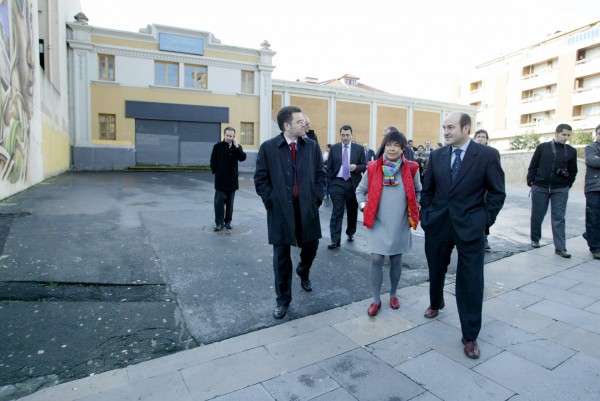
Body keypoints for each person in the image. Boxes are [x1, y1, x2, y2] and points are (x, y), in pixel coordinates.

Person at [420, 112, 505, 359]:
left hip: (471, 228)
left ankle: (470, 336)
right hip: (438, 225)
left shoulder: (487, 155)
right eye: (443, 128)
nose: (445, 132)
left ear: (466, 129)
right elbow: (428, 191)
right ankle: (435, 303)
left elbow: (497, 193)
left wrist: (483, 221)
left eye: (450, 127)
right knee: (436, 269)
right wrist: (427, 216)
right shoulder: (436, 156)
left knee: (470, 281)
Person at [254, 106, 326, 319]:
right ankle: (282, 300)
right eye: (300, 121)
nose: (305, 124)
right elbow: (261, 179)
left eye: (304, 121)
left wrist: (317, 198)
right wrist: (271, 201)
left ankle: (303, 271)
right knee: (282, 257)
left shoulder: (312, 147)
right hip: (280, 210)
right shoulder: (268, 148)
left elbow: (321, 175)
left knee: (311, 246)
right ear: (287, 125)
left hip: (307, 208)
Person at [356, 129, 421, 316]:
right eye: (389, 144)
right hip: (378, 220)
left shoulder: (411, 168)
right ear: (384, 146)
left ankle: (393, 294)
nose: (392, 149)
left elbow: (419, 191)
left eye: (396, 145)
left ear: (402, 149)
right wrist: (363, 206)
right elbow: (360, 191)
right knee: (376, 258)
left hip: (400, 221)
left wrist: (417, 206)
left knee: (396, 259)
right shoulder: (373, 167)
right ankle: (376, 299)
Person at [527, 123, 578, 258]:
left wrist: (568, 184)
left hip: (560, 189)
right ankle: (535, 239)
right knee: (538, 215)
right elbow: (533, 165)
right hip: (540, 187)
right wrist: (531, 181)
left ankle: (560, 248)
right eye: (564, 134)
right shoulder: (542, 147)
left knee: (559, 218)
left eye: (568, 135)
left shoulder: (571, 151)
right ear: (556, 133)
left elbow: (573, 171)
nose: (566, 137)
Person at [326, 125, 367, 249]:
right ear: (340, 135)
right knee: (337, 210)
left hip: (352, 183)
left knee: (351, 211)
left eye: (347, 135)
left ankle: (350, 232)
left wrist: (357, 167)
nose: (345, 137)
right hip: (337, 183)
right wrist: (331, 181)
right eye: (343, 135)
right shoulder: (334, 148)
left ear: (351, 135)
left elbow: (365, 165)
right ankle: (335, 239)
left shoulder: (359, 149)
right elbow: (329, 166)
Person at [210, 127, 247, 231]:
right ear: (224, 135)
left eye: (231, 136)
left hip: (232, 180)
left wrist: (237, 146)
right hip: (220, 180)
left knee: (230, 204)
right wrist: (216, 172)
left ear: (234, 136)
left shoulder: (236, 147)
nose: (229, 138)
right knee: (219, 203)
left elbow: (243, 158)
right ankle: (219, 223)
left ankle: (228, 222)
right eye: (228, 135)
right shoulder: (217, 146)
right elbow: (213, 161)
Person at [583, 123, 600, 259]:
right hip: (594, 188)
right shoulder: (591, 147)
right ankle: (595, 248)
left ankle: (590, 236)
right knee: (593, 218)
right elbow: (592, 161)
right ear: (596, 134)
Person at [474, 129, 491, 251]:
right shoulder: (469, 153)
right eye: (478, 136)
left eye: (483, 137)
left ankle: (484, 240)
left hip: (485, 191)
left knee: (483, 216)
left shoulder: (491, 154)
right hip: (471, 191)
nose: (480, 138)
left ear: (487, 140)